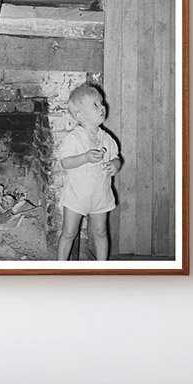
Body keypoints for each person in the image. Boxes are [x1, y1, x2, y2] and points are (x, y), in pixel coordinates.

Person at [56, 83, 121, 260]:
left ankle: (101, 268)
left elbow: (116, 157)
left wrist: (115, 164)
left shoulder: (107, 139)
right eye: (95, 104)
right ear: (80, 115)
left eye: (101, 103)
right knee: (69, 232)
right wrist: (85, 157)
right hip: (77, 197)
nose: (102, 107)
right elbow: (65, 162)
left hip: (100, 195)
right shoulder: (74, 138)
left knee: (100, 232)